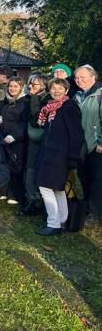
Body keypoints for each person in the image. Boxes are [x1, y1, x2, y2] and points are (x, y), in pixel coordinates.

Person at [36, 78, 85, 235]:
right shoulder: (50, 108)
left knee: (44, 186)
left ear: (66, 90)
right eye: (53, 88)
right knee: (57, 188)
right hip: (50, 152)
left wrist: (72, 157)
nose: (55, 91)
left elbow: (76, 134)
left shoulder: (69, 108)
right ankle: (62, 219)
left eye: (59, 88)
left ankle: (53, 223)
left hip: (60, 155)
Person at [73, 65, 102, 224]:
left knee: (97, 179)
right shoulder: (77, 96)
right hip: (81, 144)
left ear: (93, 77)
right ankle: (87, 206)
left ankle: (95, 212)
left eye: (82, 77)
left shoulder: (100, 95)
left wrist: (101, 141)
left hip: (96, 144)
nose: (79, 80)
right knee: (83, 176)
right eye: (77, 78)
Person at [20, 74, 50, 216]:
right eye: (30, 83)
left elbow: (36, 119)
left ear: (44, 86)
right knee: (29, 168)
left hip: (39, 140)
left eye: (35, 85)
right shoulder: (30, 97)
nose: (30, 86)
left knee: (33, 169)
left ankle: (34, 200)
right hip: (29, 139)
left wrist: (33, 99)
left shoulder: (45, 101)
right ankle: (30, 197)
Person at [0, 76, 30, 205]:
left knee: (17, 167)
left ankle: (15, 195)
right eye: (10, 86)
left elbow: (25, 123)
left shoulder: (25, 102)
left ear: (21, 87)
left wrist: (15, 136)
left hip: (17, 141)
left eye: (16, 86)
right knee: (6, 166)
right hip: (5, 139)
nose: (12, 88)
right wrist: (1, 122)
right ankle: (4, 191)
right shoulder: (7, 101)